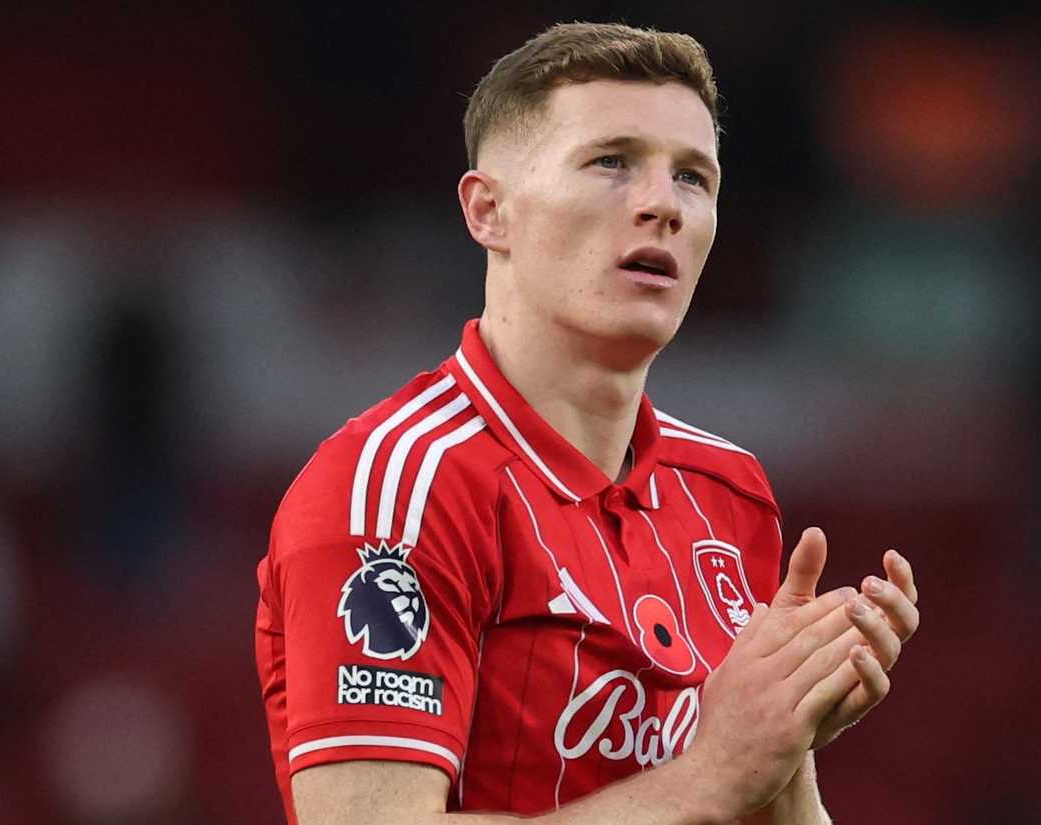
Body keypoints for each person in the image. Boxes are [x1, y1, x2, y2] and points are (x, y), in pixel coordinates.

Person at [254, 21, 921, 825]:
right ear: (489, 211)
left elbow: (745, 788)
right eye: (612, 161)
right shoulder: (399, 487)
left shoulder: (728, 489)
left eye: (692, 177)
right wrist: (709, 777)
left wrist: (785, 746)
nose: (662, 205)